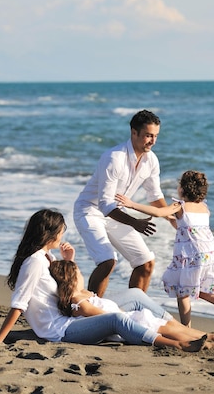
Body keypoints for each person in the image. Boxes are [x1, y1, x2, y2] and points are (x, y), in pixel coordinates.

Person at [0, 208, 214, 351]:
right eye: (61, 232)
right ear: (48, 234)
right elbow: (19, 304)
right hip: (61, 330)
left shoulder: (46, 257)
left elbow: (67, 287)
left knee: (135, 295)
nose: (63, 236)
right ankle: (180, 343)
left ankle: (196, 334)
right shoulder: (34, 262)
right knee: (116, 319)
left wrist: (70, 261)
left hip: (72, 315)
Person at [115, 170, 214, 329]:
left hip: (193, 255)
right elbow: (187, 227)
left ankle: (186, 328)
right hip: (211, 252)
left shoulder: (179, 205)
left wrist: (131, 204)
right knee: (195, 288)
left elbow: (158, 212)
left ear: (183, 188)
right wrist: (172, 220)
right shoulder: (204, 208)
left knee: (182, 293)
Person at [73, 109, 174, 297]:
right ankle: (91, 311)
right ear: (133, 132)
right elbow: (105, 204)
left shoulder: (151, 160)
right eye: (148, 136)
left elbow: (154, 195)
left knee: (145, 263)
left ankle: (134, 313)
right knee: (107, 261)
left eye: (155, 136)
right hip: (90, 211)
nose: (153, 141)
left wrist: (171, 217)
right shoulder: (114, 158)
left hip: (116, 214)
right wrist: (135, 223)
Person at [49, 259, 214, 351]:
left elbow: (72, 281)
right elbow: (105, 316)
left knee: (169, 325)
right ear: (73, 280)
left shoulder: (79, 294)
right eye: (79, 274)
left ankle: (210, 336)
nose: (82, 276)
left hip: (128, 316)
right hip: (126, 321)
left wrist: (68, 257)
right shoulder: (79, 303)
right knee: (168, 329)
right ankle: (200, 343)